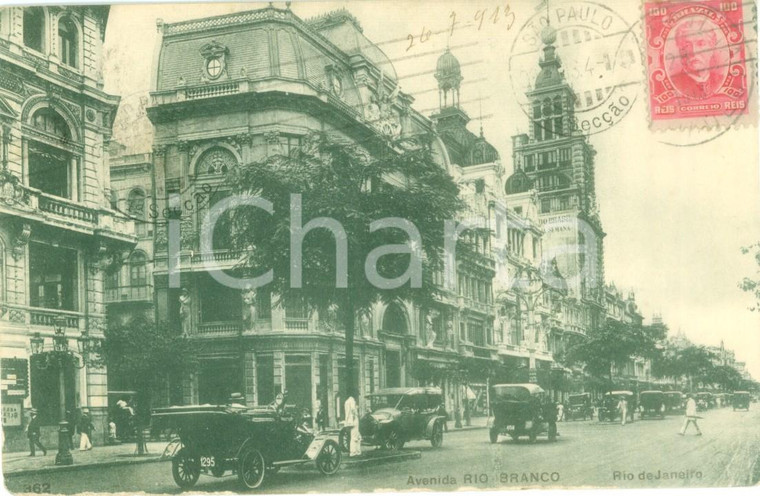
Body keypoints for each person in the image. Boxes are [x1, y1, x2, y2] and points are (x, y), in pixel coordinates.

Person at [669, 19, 724, 99]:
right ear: (681, 51)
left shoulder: (720, 80)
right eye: (687, 45)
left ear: (712, 49)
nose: (694, 52)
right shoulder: (674, 83)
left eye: (701, 44)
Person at [344, 391, 362, 457]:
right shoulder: (352, 401)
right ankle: (353, 452)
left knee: (357, 435)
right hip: (354, 420)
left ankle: (357, 450)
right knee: (354, 436)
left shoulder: (347, 401)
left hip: (349, 420)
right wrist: (357, 415)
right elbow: (353, 410)